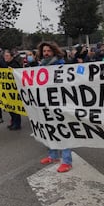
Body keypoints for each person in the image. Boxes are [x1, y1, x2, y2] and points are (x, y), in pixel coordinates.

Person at [38, 41, 72, 173]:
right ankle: (53, 156)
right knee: (50, 129)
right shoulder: (41, 65)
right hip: (47, 102)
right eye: (44, 51)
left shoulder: (62, 65)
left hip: (61, 102)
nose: (46, 53)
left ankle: (67, 161)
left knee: (64, 130)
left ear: (54, 52)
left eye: (48, 51)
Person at [0, 50, 22, 130]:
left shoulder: (15, 64)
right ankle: (13, 122)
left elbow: (19, 75)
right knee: (10, 107)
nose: (6, 57)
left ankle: (17, 124)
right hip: (7, 89)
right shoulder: (5, 64)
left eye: (7, 56)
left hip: (14, 90)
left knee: (15, 107)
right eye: (5, 56)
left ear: (12, 56)